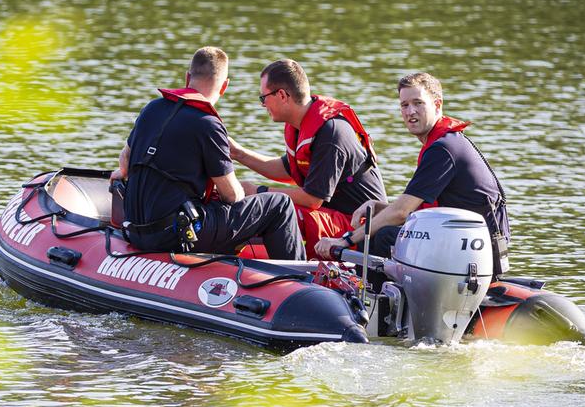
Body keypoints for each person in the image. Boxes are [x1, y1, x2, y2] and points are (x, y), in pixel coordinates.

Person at [111, 47, 304, 260]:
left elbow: (125, 162)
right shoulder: (209, 124)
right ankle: (299, 281)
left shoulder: (151, 108)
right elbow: (231, 195)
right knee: (280, 205)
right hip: (174, 235)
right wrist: (247, 193)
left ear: (187, 78)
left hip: (136, 231)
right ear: (224, 87)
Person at [315, 71, 510, 274]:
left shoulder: (443, 149)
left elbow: (402, 212)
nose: (410, 112)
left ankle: (371, 303)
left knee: (382, 236)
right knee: (381, 231)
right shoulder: (443, 142)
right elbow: (416, 210)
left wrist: (345, 240)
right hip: (462, 243)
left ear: (437, 105)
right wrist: (378, 207)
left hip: (478, 254)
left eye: (418, 103)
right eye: (404, 105)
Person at [228, 59, 387, 259]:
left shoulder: (330, 133)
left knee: (275, 207)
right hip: (334, 216)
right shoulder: (301, 124)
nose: (262, 104)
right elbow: (287, 170)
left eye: (263, 98)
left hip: (357, 228)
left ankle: (295, 277)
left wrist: (259, 191)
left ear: (282, 95)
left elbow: (313, 199)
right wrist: (238, 153)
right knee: (268, 203)